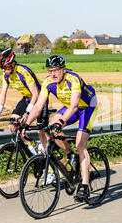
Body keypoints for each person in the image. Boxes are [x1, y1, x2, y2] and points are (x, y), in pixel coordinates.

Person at [23, 55, 98, 202]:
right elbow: (38, 105)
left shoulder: (73, 79)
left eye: (56, 70)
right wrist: (27, 123)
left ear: (63, 69)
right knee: (49, 127)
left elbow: (74, 106)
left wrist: (61, 123)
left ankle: (85, 185)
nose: (53, 74)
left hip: (87, 107)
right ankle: (70, 155)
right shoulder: (48, 82)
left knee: (80, 144)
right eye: (50, 70)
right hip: (70, 107)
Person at [0, 48, 48, 151]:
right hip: (27, 99)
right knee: (13, 126)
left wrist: (27, 112)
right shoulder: (6, 76)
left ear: (12, 64)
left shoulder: (23, 72)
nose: (3, 70)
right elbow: (3, 94)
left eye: (4, 67)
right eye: (1, 68)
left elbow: (35, 94)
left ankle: (47, 160)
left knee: (41, 132)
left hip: (40, 98)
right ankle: (33, 146)